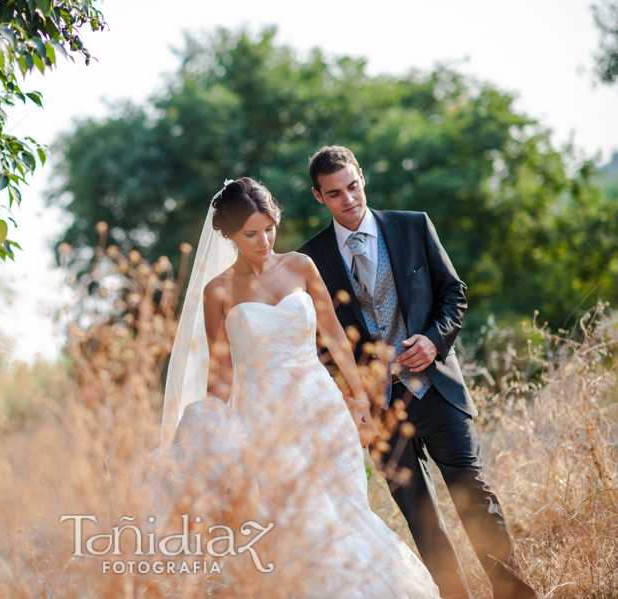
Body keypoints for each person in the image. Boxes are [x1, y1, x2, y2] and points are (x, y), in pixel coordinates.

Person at [158, 177, 440, 598]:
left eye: (269, 227)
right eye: (250, 234)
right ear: (230, 235)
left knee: (348, 511)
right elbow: (219, 371)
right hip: (266, 422)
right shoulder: (217, 290)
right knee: (303, 521)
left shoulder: (300, 267)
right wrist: (216, 430)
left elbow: (335, 336)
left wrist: (359, 400)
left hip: (322, 409)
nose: (264, 240)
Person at [297, 146, 536, 599]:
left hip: (437, 390)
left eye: (353, 186)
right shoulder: (310, 260)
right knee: (420, 517)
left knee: (476, 496)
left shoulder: (413, 225)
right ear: (318, 196)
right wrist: (354, 395)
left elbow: (453, 293)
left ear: (362, 177)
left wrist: (433, 339)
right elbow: (318, 343)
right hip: (378, 410)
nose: (349, 199)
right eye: (335, 193)